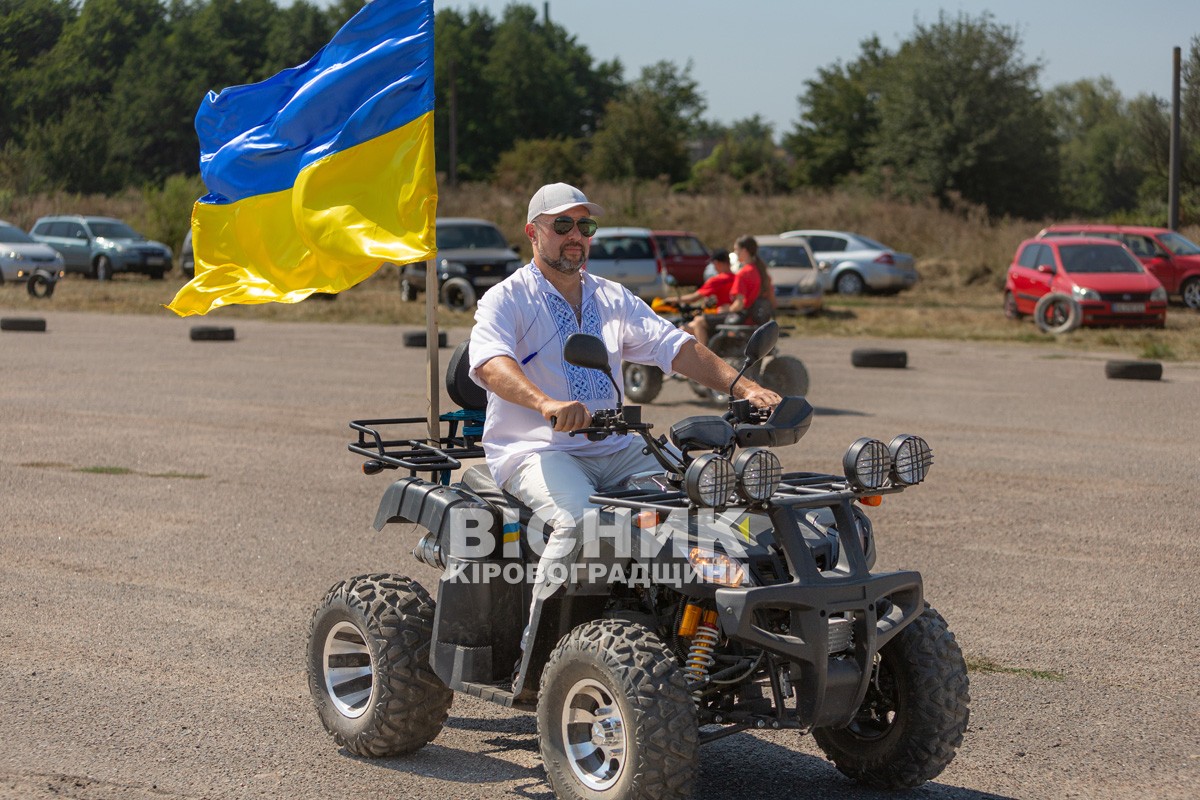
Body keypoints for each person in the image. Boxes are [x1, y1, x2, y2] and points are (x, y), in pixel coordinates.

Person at [468, 183, 781, 634]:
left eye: (585, 225)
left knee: (713, 502)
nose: (575, 235)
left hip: (617, 446)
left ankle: (716, 629)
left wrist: (745, 387)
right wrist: (546, 402)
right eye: (562, 225)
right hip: (539, 451)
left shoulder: (611, 297)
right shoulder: (508, 297)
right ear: (532, 233)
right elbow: (491, 363)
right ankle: (540, 653)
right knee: (581, 522)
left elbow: (675, 347)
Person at [690, 235, 776, 346]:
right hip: (757, 318)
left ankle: (703, 359)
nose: (735, 253)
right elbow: (773, 301)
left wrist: (728, 309)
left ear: (744, 251)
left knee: (699, 321)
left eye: (736, 249)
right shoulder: (762, 272)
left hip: (744, 317)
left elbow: (739, 304)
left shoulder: (743, 273)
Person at [679, 249, 735, 346]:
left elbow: (693, 298)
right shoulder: (736, 277)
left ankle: (703, 355)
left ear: (717, 263)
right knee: (686, 328)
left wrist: (672, 300)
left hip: (723, 315)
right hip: (732, 315)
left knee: (697, 322)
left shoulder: (717, 280)